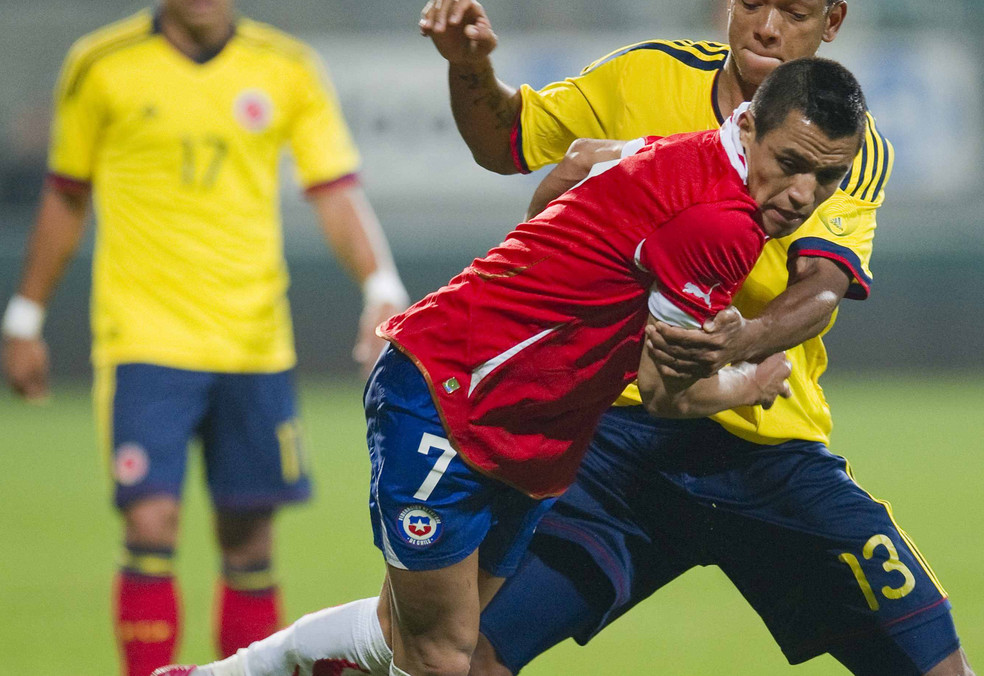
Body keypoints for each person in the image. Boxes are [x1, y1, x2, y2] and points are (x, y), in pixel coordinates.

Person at [155, 56, 867, 676]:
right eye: (791, 164)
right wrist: (749, 379)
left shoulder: (679, 149)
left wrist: (553, 266)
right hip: (449, 394)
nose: (803, 193)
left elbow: (579, 163)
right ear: (747, 128)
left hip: (537, 429)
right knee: (440, 657)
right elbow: (662, 394)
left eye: (828, 177)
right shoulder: (724, 226)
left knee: (411, 635)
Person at [418, 0, 976, 674]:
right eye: (751, 3)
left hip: (765, 450)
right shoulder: (645, 76)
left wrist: (741, 342)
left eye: (793, 10)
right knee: (466, 653)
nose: (766, 25)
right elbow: (506, 141)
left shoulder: (842, 145)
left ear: (832, 22)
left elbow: (822, 285)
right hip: (614, 443)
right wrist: (470, 66)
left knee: (939, 667)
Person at [0, 2, 409, 675]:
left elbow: (333, 189)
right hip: (144, 338)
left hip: (255, 343)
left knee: (249, 540)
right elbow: (67, 192)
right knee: (150, 524)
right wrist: (25, 316)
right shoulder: (101, 64)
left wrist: (380, 283)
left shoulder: (286, 67)